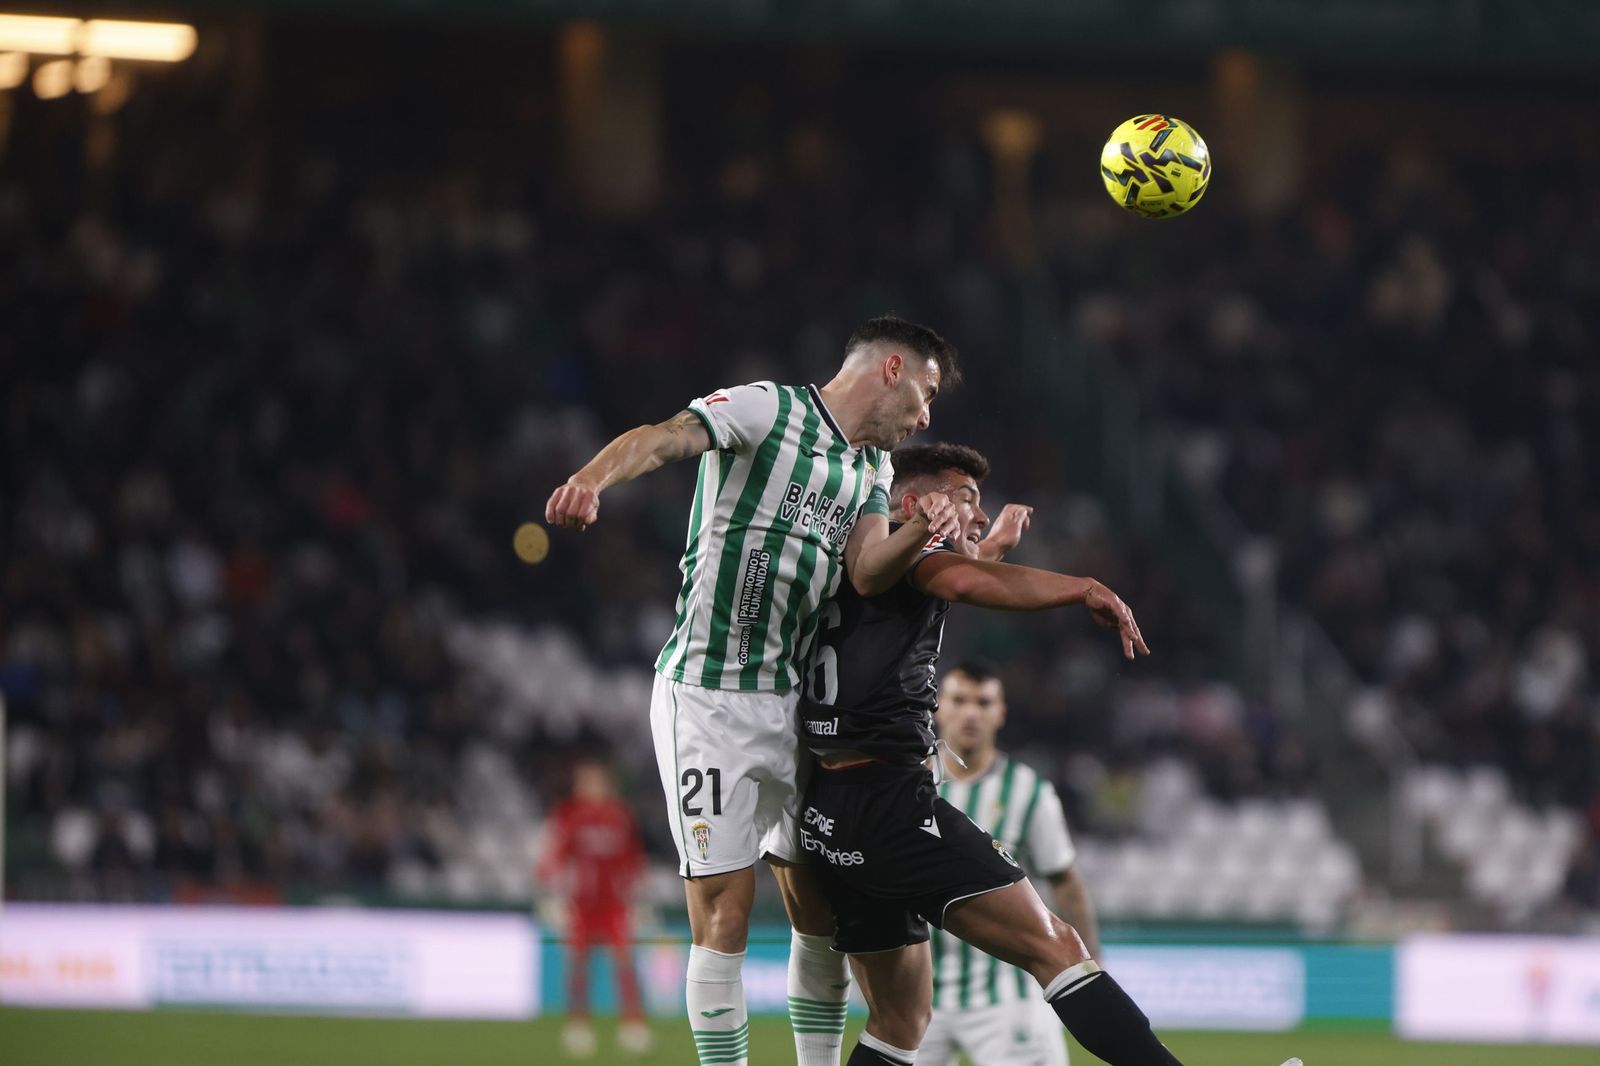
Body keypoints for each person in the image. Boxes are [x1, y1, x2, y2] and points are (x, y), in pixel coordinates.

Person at [545, 315, 964, 1066]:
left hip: (797, 708)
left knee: (819, 912)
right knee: (725, 918)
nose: (927, 418)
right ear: (892, 370)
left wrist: (924, 531)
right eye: (926, 394)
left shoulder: (870, 471)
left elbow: (867, 570)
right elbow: (665, 435)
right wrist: (590, 477)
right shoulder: (769, 409)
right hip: (709, 701)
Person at [797, 442, 1300, 1066]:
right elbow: (955, 574)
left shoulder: (859, 559)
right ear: (910, 504)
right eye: (964, 501)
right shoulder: (917, 553)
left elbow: (951, 571)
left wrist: (992, 547)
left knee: (901, 1018)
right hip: (891, 808)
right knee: (1055, 945)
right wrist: (1080, 586)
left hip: (831, 811)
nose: (977, 518)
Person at [922, 661, 1098, 1066]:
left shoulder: (1030, 792)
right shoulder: (905, 786)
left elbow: (1065, 883)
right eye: (959, 700)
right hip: (919, 991)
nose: (970, 712)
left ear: (1000, 712)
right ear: (937, 707)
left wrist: (1091, 967)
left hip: (1007, 991)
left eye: (983, 702)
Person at [536, 759, 651, 1058]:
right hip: (581, 905)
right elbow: (554, 856)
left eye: (599, 783)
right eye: (589, 783)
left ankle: (633, 1025)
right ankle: (578, 1025)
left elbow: (632, 859)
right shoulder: (569, 815)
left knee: (624, 962)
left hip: (614, 905)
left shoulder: (619, 816)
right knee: (578, 964)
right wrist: (553, 894)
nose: (595, 789)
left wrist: (637, 897)